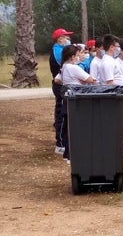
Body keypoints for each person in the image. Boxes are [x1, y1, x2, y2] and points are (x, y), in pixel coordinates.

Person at [54, 44, 96, 163]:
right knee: (77, 128)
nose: (79, 57)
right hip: (76, 99)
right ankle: (73, 155)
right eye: (78, 55)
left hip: (68, 99)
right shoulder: (73, 67)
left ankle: (68, 154)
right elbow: (90, 79)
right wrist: (80, 81)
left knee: (69, 128)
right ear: (72, 57)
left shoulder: (64, 67)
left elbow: (57, 80)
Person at [99, 34, 123, 152]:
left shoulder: (111, 61)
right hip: (114, 97)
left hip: (118, 95)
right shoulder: (108, 62)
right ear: (112, 47)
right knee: (115, 122)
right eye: (117, 46)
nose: (119, 48)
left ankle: (118, 144)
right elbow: (110, 83)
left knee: (119, 121)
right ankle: (114, 145)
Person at [49, 27, 74, 156]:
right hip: (60, 86)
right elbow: (67, 65)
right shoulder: (58, 51)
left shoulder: (60, 49)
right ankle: (60, 143)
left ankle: (63, 141)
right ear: (60, 39)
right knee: (61, 115)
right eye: (66, 37)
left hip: (61, 85)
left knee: (62, 113)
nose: (68, 40)